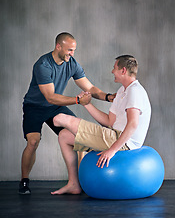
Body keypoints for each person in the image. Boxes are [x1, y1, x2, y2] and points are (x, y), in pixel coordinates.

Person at [19, 32, 116, 195]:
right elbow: (50, 97)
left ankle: (78, 182)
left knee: (79, 135)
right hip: (34, 107)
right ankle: (24, 181)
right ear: (58, 46)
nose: (72, 54)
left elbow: (90, 88)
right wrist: (77, 101)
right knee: (33, 142)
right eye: (70, 50)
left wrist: (107, 97)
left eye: (74, 50)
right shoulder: (43, 65)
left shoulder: (72, 64)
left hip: (55, 108)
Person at [50, 55, 151, 195]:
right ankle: (73, 184)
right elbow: (109, 121)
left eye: (114, 68)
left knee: (59, 119)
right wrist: (87, 104)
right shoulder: (122, 91)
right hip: (113, 134)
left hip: (124, 142)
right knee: (64, 136)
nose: (112, 71)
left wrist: (112, 150)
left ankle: (76, 182)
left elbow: (133, 124)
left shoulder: (135, 91)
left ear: (123, 70)